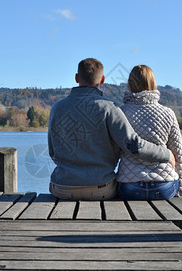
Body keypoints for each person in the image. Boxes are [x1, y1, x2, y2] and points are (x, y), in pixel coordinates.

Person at [48, 58, 175, 200]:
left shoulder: (57, 108)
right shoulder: (109, 107)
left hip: (61, 188)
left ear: (77, 77)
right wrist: (167, 155)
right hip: (100, 189)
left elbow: (52, 151)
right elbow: (133, 145)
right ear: (102, 80)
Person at [117, 64, 182, 200]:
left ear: (130, 84)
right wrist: (180, 187)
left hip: (129, 187)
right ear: (153, 83)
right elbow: (178, 154)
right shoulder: (168, 113)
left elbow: (113, 152)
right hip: (164, 187)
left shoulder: (121, 113)